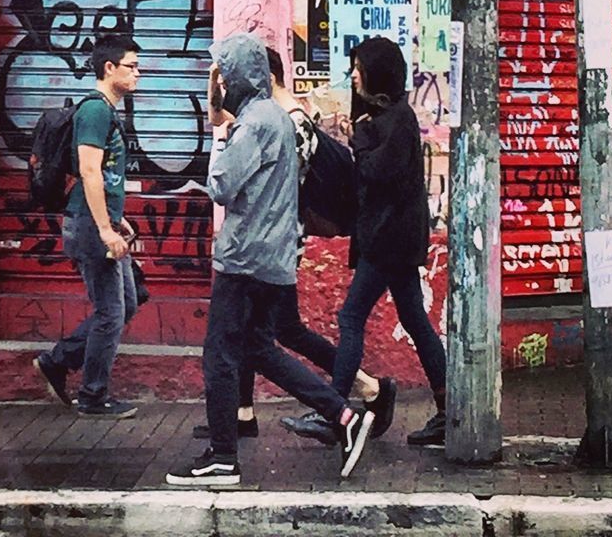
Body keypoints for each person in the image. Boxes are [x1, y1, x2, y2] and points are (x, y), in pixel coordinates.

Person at [166, 33, 374, 488]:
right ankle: (342, 414)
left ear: (235, 75)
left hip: (244, 259)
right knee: (258, 347)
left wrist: (217, 128)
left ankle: (222, 458)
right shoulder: (273, 116)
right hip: (272, 256)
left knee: (219, 355)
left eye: (218, 72)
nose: (213, 80)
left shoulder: (252, 124)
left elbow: (220, 186)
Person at [287, 36, 447, 447]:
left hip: (389, 240)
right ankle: (450, 411)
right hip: (389, 237)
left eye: (359, 66)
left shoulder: (397, 119)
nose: (353, 74)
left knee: (350, 317)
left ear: (378, 71)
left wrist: (357, 140)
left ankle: (335, 411)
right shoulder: (385, 117)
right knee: (415, 321)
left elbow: (378, 173)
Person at [32, 35, 142, 418]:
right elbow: (90, 171)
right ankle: (93, 396)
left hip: (98, 220)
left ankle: (58, 361)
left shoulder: (107, 111)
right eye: (131, 66)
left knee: (126, 303)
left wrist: (117, 218)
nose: (138, 73)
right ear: (109, 68)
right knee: (111, 311)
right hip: (90, 227)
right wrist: (106, 231)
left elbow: (104, 178)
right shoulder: (95, 111)